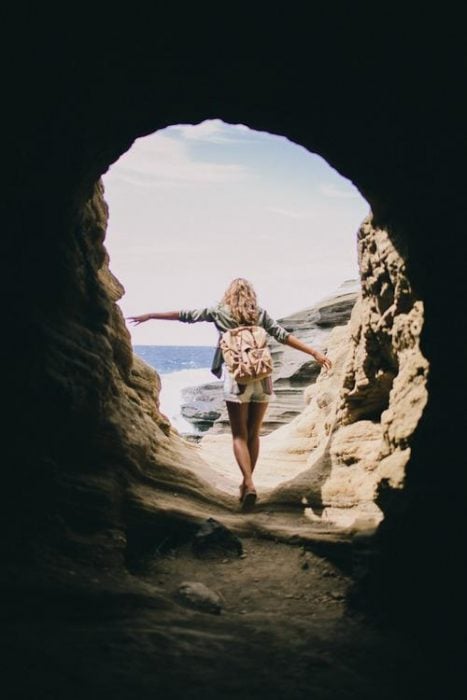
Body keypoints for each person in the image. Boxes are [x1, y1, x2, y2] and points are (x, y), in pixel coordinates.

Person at [127, 278, 332, 512]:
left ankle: (249, 483)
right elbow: (282, 335)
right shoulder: (259, 314)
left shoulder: (219, 312)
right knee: (254, 434)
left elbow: (185, 315)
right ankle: (247, 484)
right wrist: (314, 352)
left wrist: (151, 315)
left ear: (229, 294)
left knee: (239, 436)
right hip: (263, 380)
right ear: (250, 295)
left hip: (237, 380)